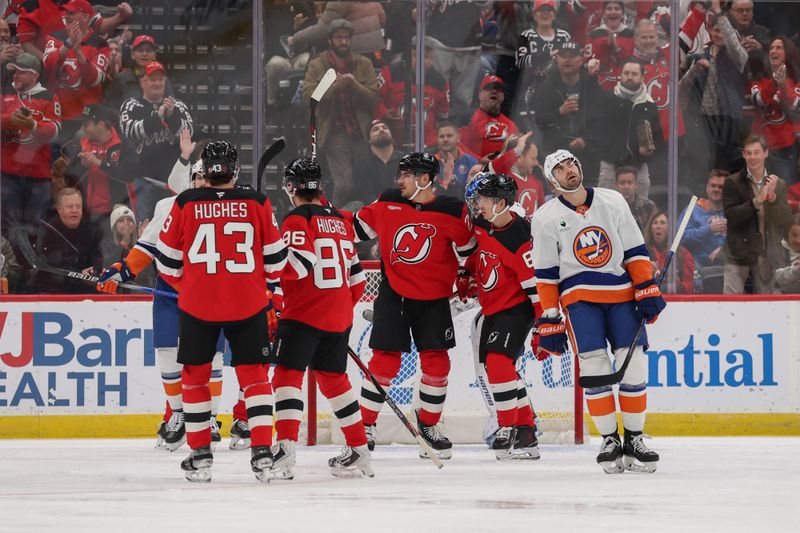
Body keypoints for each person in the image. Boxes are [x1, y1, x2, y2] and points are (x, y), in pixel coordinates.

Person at [155, 141, 288, 482]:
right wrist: (262, 286)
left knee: (195, 379)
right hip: (248, 305)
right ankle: (261, 453)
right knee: (255, 378)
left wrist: (191, 288)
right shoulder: (257, 202)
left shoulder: (185, 201)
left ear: (203, 168)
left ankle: (200, 456)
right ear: (234, 168)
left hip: (198, 307)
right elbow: (276, 262)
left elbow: (167, 262)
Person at [97, 156, 247, 452]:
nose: (203, 183)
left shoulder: (231, 209)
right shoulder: (169, 206)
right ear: (191, 179)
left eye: (207, 178)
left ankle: (209, 420)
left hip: (208, 294)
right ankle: (179, 415)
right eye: (198, 177)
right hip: (171, 290)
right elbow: (147, 247)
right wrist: (122, 270)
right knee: (168, 355)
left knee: (212, 359)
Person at [531, 149, 666, 473]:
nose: (569, 170)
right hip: (579, 300)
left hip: (621, 294)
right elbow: (547, 274)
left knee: (633, 367)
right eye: (560, 168)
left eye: (572, 164)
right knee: (594, 368)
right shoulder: (545, 217)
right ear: (553, 180)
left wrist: (645, 286)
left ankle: (634, 438)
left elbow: (634, 248)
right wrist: (550, 315)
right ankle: (609, 438)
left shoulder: (612, 201)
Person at [352, 152, 476, 460]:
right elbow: (354, 230)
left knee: (437, 365)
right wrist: (321, 215)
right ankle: (364, 427)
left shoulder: (452, 209)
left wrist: (466, 274)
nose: (399, 180)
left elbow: (469, 250)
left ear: (424, 180)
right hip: (393, 294)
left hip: (434, 299)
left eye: (406, 175)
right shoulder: (388, 200)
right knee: (383, 363)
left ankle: (429, 426)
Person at [270, 158, 373, 480]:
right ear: (321, 188)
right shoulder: (340, 221)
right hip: (339, 314)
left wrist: (268, 268)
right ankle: (359, 450)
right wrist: (338, 307)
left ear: (290, 188)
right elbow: (357, 280)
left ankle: (284, 452)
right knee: (334, 380)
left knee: (287, 376)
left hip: (303, 313)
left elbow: (298, 266)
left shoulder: (296, 219)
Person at [457, 173, 542, 460]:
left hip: (516, 308)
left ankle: (506, 428)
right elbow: (479, 253)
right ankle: (526, 433)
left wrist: (544, 324)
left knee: (498, 363)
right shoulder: (484, 223)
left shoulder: (520, 236)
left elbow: (535, 287)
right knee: (500, 372)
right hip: (492, 306)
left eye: (482, 199)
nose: (477, 204)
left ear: (502, 203)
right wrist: (466, 273)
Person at [301, 19, 379, 205]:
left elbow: (374, 98)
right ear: (330, 40)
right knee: (343, 185)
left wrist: (353, 85)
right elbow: (308, 97)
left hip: (362, 132)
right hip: (334, 133)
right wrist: (333, 87)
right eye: (338, 38)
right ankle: (334, 222)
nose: (343, 42)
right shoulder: (317, 65)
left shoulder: (364, 63)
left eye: (347, 38)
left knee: (364, 184)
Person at [119, 60, 193, 221]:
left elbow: (189, 133)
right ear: (143, 81)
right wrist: (157, 117)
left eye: (160, 79)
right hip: (143, 179)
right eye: (152, 79)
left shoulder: (178, 106)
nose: (157, 83)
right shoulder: (131, 105)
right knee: (142, 227)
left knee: (174, 225)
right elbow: (130, 131)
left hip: (172, 181)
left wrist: (172, 117)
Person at [722, 135, 792, 294]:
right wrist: (757, 201)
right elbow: (731, 215)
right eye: (749, 153)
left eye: (756, 152)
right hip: (737, 252)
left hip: (766, 252)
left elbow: (785, 219)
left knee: (768, 305)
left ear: (765, 153)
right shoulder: (732, 182)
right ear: (743, 155)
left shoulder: (778, 184)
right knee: (731, 303)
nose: (752, 157)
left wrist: (773, 198)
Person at [1, 52, 61, 236]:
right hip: (7, 173)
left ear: (35, 75)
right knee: (11, 225)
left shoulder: (49, 97)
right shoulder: (5, 92)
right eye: (14, 71)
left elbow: (55, 130)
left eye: (21, 72)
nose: (15, 75)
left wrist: (32, 125)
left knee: (35, 228)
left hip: (38, 174)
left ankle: (32, 264)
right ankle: (11, 264)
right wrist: (13, 120)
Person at [58, 104, 138, 238]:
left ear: (100, 124)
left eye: (86, 124)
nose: (83, 129)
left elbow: (130, 174)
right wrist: (82, 166)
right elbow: (68, 177)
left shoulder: (123, 145)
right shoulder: (81, 144)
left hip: (117, 212)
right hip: (87, 213)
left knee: (115, 253)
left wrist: (100, 164)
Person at [534, 42, 605, 180]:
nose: (567, 60)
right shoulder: (547, 87)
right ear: (557, 59)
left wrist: (585, 141)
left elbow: (601, 119)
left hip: (588, 154)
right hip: (557, 152)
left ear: (581, 60)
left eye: (572, 56)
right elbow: (539, 120)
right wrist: (559, 111)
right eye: (563, 56)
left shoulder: (591, 85)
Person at [41, 0, 110, 134]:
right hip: (57, 116)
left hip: (87, 120)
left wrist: (78, 51)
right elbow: (49, 66)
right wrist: (68, 44)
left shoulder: (99, 44)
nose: (67, 16)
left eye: (72, 13)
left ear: (86, 17)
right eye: (66, 13)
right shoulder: (55, 37)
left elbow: (95, 79)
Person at [597, 60, 661, 199]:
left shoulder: (649, 104)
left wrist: (648, 151)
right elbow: (597, 129)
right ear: (620, 75)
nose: (630, 77)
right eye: (626, 73)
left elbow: (657, 135)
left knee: (642, 202)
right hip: (610, 162)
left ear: (642, 77)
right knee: (605, 204)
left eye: (634, 73)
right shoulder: (607, 98)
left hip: (638, 163)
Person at [375, 35, 449, 149]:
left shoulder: (440, 82)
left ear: (432, 59)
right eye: (416, 56)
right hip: (393, 144)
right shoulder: (390, 72)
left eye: (426, 57)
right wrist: (384, 112)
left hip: (427, 146)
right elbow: (374, 99)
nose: (420, 61)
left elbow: (443, 115)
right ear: (407, 56)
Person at [748, 36, 800, 185]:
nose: (773, 51)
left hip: (786, 147)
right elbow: (758, 101)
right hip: (760, 148)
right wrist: (775, 83)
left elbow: (795, 106)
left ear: (788, 53)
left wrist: (783, 86)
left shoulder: (797, 82)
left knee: (783, 191)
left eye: (779, 47)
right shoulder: (759, 79)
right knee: (759, 193)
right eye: (771, 48)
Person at [33, 187, 103, 293]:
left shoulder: (91, 231)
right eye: (70, 206)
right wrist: (80, 274)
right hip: (52, 291)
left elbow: (97, 259)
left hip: (84, 289)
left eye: (78, 206)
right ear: (59, 209)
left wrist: (95, 272)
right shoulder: (47, 232)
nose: (75, 210)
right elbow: (52, 268)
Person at [516, 0, 572, 97]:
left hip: (560, 87)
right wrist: (549, 54)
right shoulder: (526, 35)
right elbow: (520, 62)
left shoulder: (564, 35)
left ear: (554, 15)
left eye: (549, 10)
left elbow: (572, 60)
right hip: (531, 87)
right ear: (534, 16)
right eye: (541, 10)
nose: (545, 13)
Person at [104, 34, 175, 110]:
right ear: (132, 54)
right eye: (140, 50)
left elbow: (171, 107)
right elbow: (109, 108)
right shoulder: (121, 79)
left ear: (154, 55)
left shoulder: (163, 80)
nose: (144, 54)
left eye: (148, 50)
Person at [487, 131, 546, 219]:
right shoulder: (500, 179)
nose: (536, 163)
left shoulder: (536, 182)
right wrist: (517, 150)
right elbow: (492, 167)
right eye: (533, 158)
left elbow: (544, 214)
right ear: (518, 158)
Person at [460, 75, 519, 160]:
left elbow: (518, 150)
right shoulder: (469, 116)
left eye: (498, 89)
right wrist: (478, 160)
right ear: (480, 95)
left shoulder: (511, 125)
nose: (494, 91)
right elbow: (457, 145)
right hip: (475, 168)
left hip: (502, 169)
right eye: (489, 88)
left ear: (503, 96)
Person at [681, 169, 728, 269]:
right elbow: (681, 238)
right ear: (707, 188)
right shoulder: (691, 211)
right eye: (713, 186)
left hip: (727, 267)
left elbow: (743, 240)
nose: (716, 189)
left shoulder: (733, 212)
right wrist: (709, 229)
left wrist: (726, 249)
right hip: (696, 267)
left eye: (721, 187)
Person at [351, 119, 404, 206]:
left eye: (384, 128)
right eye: (375, 129)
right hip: (373, 211)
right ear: (369, 140)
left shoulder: (405, 160)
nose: (381, 130)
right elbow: (364, 194)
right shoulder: (361, 164)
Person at [585, 0, 635, 91]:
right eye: (609, 9)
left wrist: (617, 49)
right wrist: (604, 48)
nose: (613, 12)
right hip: (599, 86)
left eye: (617, 8)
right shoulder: (595, 35)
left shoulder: (632, 35)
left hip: (626, 87)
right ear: (603, 13)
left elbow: (634, 63)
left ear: (623, 13)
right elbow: (586, 63)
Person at [644, 210, 696, 294]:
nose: (658, 226)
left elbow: (690, 284)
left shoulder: (683, 254)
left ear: (670, 228)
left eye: (662, 223)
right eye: (655, 223)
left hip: (676, 302)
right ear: (650, 228)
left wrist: (678, 286)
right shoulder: (642, 252)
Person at [431, 120, 478, 190]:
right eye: (441, 136)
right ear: (437, 139)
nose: (445, 139)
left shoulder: (471, 162)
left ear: (458, 137)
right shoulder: (429, 163)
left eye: (449, 136)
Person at [614, 166, 658, 234]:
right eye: (622, 183)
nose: (626, 187)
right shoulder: (610, 208)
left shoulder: (649, 206)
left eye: (630, 182)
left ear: (636, 185)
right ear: (616, 185)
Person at [774, 217, 800, 294]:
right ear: (786, 235)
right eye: (794, 235)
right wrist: (796, 270)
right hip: (783, 299)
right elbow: (773, 279)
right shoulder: (776, 251)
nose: (798, 240)